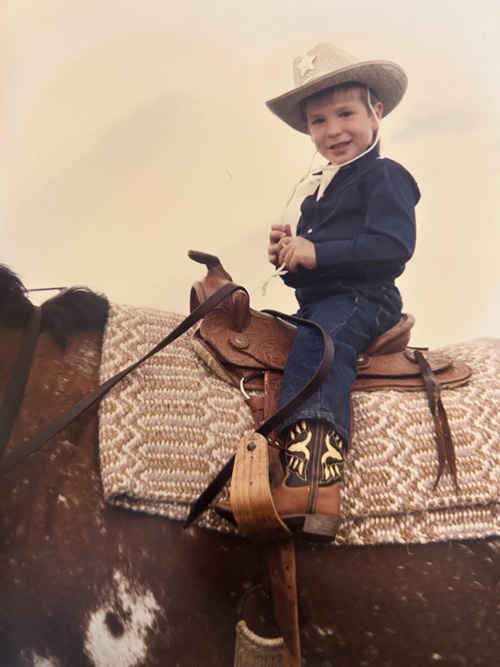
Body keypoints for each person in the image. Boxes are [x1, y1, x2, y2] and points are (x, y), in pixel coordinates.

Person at [265, 42, 420, 541]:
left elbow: (393, 246)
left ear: (376, 113)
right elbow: (312, 275)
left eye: (346, 113)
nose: (333, 130)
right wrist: (290, 260)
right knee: (295, 331)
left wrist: (319, 253)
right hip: (323, 300)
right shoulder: (318, 192)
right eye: (318, 121)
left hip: (365, 298)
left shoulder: (385, 176)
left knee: (321, 346)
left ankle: (313, 480)